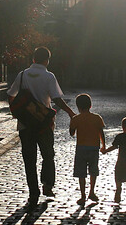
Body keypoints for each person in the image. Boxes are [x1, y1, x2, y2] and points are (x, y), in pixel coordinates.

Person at [7, 47, 75, 205]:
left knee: (29, 159)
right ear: (47, 60)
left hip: (25, 125)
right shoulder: (49, 76)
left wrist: (16, 112)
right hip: (44, 124)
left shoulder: (22, 75)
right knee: (48, 155)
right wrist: (71, 113)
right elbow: (56, 99)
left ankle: (33, 193)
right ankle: (47, 185)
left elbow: (11, 94)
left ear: (33, 59)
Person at [68, 93, 106, 204]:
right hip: (94, 148)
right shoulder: (97, 118)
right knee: (93, 170)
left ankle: (83, 195)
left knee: (81, 172)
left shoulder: (76, 118)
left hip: (81, 148)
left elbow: (72, 133)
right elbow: (101, 132)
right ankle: (92, 192)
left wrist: (72, 123)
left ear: (78, 106)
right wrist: (103, 145)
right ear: (90, 105)